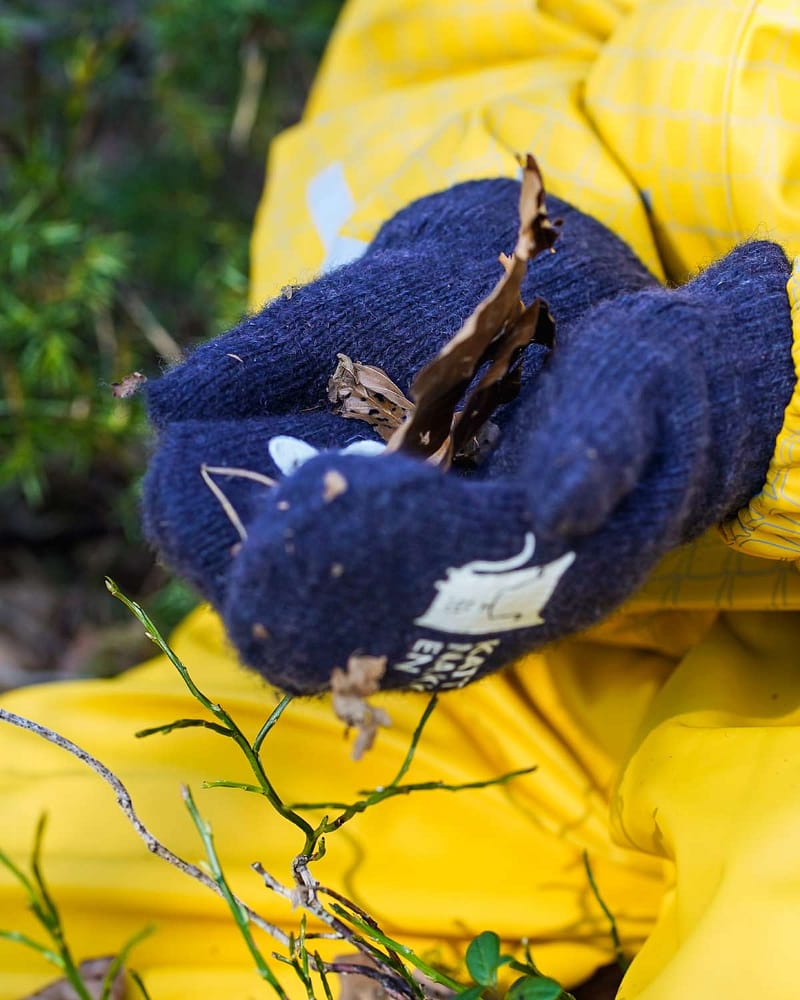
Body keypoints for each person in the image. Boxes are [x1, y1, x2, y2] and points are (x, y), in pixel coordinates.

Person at [3, 1, 800, 997]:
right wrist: (478, 225)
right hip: (491, 698)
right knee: (36, 835)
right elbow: (451, 43)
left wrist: (756, 382)